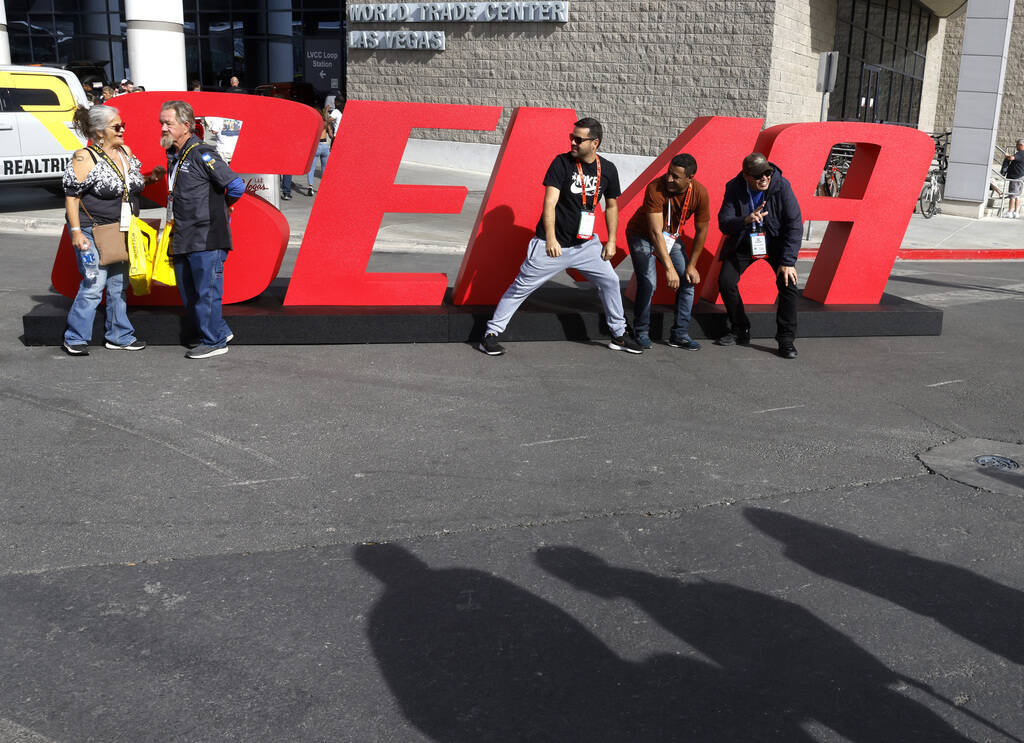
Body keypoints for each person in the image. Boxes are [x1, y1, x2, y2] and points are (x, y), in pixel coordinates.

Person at [478, 117, 643, 356]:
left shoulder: (607, 169)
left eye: (578, 139)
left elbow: (612, 206)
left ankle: (619, 335)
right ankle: (490, 335)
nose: (573, 142)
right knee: (520, 288)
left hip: (587, 245)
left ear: (594, 143)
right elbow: (550, 202)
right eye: (571, 137)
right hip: (551, 245)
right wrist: (552, 239)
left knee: (610, 281)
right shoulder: (561, 163)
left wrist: (613, 240)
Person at [61, 104, 164, 355]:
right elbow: (71, 196)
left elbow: (129, 185)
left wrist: (152, 180)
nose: (122, 130)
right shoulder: (84, 157)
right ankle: (75, 336)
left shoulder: (125, 152)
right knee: (94, 283)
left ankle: (119, 335)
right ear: (98, 131)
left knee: (119, 284)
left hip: (124, 230)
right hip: (93, 231)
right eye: (116, 126)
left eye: (123, 125)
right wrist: (75, 232)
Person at [160, 100, 246, 359]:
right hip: (184, 235)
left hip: (206, 236)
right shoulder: (173, 155)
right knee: (190, 293)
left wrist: (224, 207)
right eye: (161, 123)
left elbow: (237, 186)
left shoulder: (201, 152)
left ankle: (215, 341)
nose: (163, 128)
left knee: (207, 292)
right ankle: (218, 330)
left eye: (168, 123)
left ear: (186, 126)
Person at [716, 152, 802, 359]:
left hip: (775, 241)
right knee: (726, 282)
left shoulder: (781, 186)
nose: (764, 178)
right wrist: (745, 220)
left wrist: (788, 261)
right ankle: (740, 328)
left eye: (767, 173)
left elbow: (795, 223)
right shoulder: (734, 187)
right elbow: (724, 222)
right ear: (746, 175)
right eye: (757, 175)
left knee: (789, 284)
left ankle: (786, 339)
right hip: (746, 240)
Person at [624, 153, 710, 350]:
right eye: (669, 173)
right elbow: (655, 232)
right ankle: (642, 330)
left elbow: (702, 230)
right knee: (649, 282)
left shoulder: (700, 193)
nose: (669, 179)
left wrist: (692, 265)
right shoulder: (655, 187)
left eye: (675, 177)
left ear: (690, 178)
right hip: (642, 235)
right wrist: (669, 268)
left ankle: (680, 334)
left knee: (688, 280)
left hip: (670, 237)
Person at [1000, 139, 1024, 218]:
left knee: (1012, 195)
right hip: (1021, 176)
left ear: (1021, 145)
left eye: (1017, 145)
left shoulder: (1021, 153)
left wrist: (1006, 156)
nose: (1016, 146)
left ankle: (1009, 212)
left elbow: (1011, 158)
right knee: (1017, 195)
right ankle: (1016, 212)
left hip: (1016, 177)